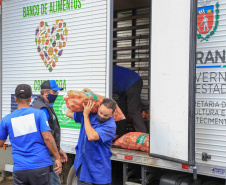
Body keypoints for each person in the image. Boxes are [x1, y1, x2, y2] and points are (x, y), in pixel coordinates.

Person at [0, 84, 62, 185]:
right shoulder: (39, 114)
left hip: (20, 169)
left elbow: (0, 142)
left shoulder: (6, 119)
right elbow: (47, 137)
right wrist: (57, 158)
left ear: (15, 99)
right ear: (30, 98)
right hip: (40, 167)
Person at [66, 98, 117, 185]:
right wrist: (79, 99)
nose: (102, 116)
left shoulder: (110, 126)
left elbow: (91, 136)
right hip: (84, 168)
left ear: (112, 114)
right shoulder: (91, 114)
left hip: (99, 170)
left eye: (106, 115)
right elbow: (68, 113)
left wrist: (85, 115)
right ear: (98, 108)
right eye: (100, 112)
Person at [32, 80, 68, 185]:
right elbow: (46, 136)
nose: (56, 95)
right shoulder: (42, 109)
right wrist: (57, 156)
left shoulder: (43, 105)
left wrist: (58, 148)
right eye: (54, 92)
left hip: (44, 153)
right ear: (45, 92)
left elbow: (51, 132)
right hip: (46, 155)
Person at [113, 65, 147, 137]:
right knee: (120, 110)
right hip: (125, 85)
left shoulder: (104, 71)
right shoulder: (104, 69)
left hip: (133, 82)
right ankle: (121, 135)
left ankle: (143, 137)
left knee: (133, 110)